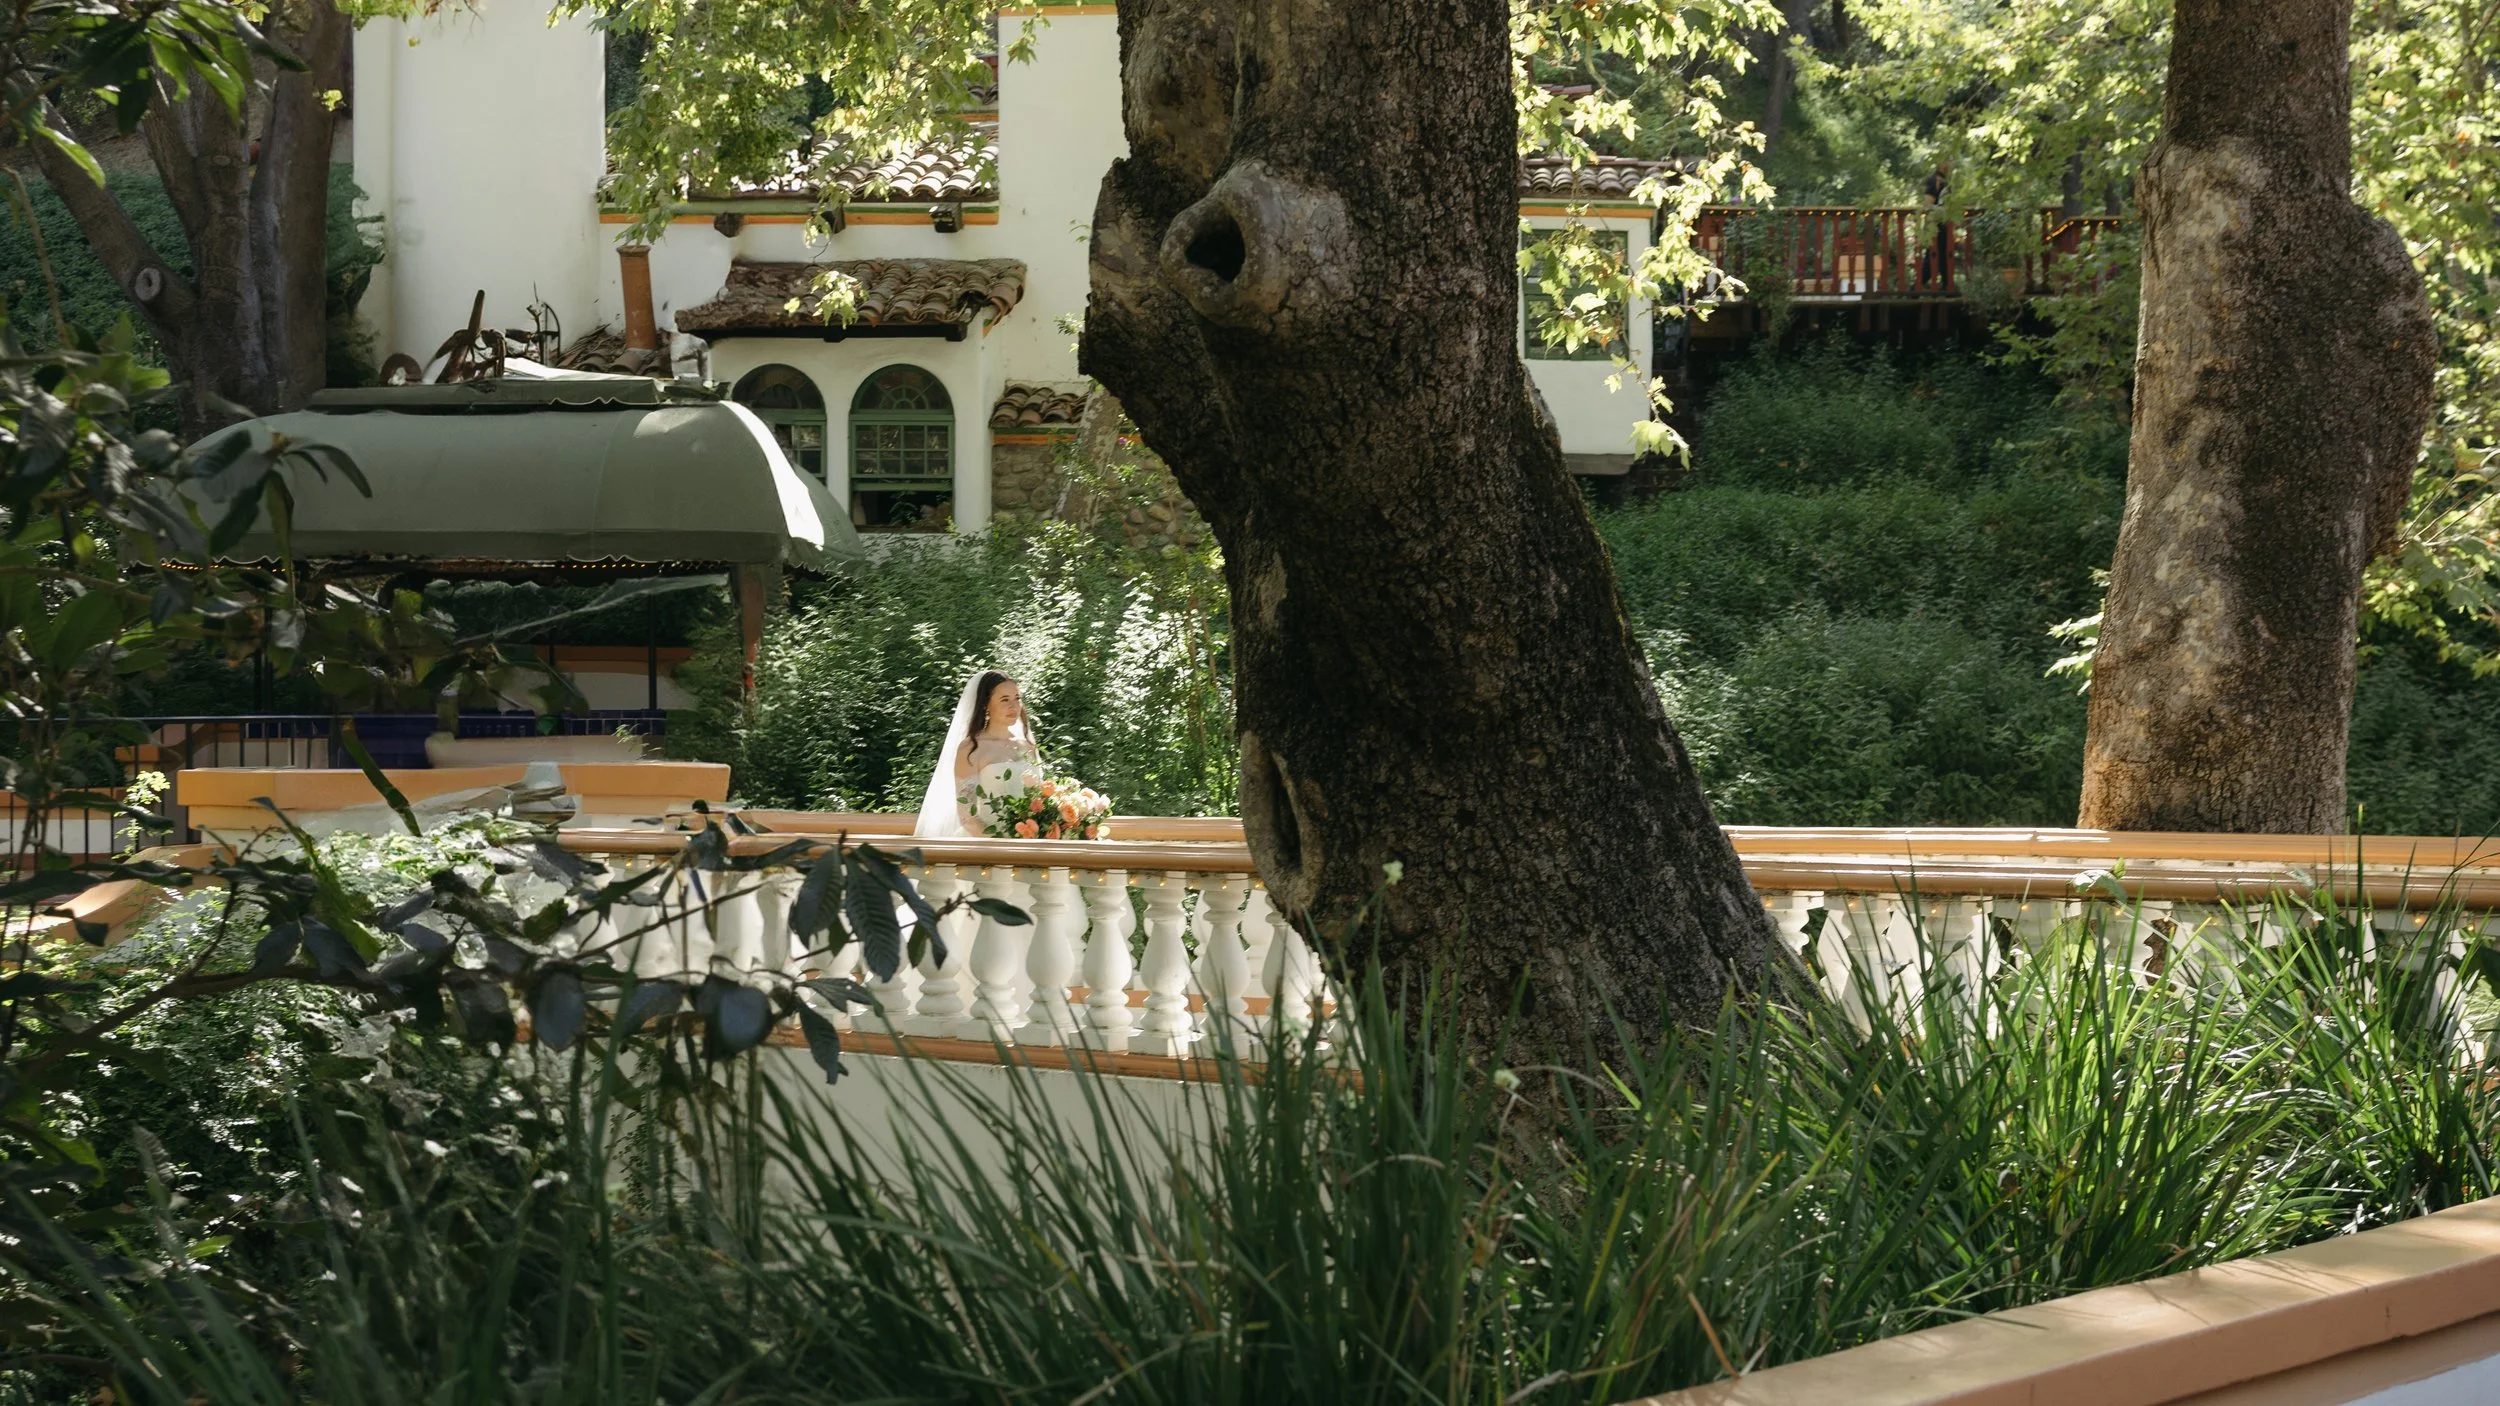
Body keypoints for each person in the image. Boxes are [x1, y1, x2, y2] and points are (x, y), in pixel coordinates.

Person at [913, 670, 1044, 837]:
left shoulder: (1028, 746)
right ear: (985, 704)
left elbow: (1039, 800)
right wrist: (1003, 844)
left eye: (1017, 698)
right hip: (984, 844)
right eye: (1005, 700)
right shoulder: (972, 748)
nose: (1014, 706)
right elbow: (967, 814)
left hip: (1029, 842)